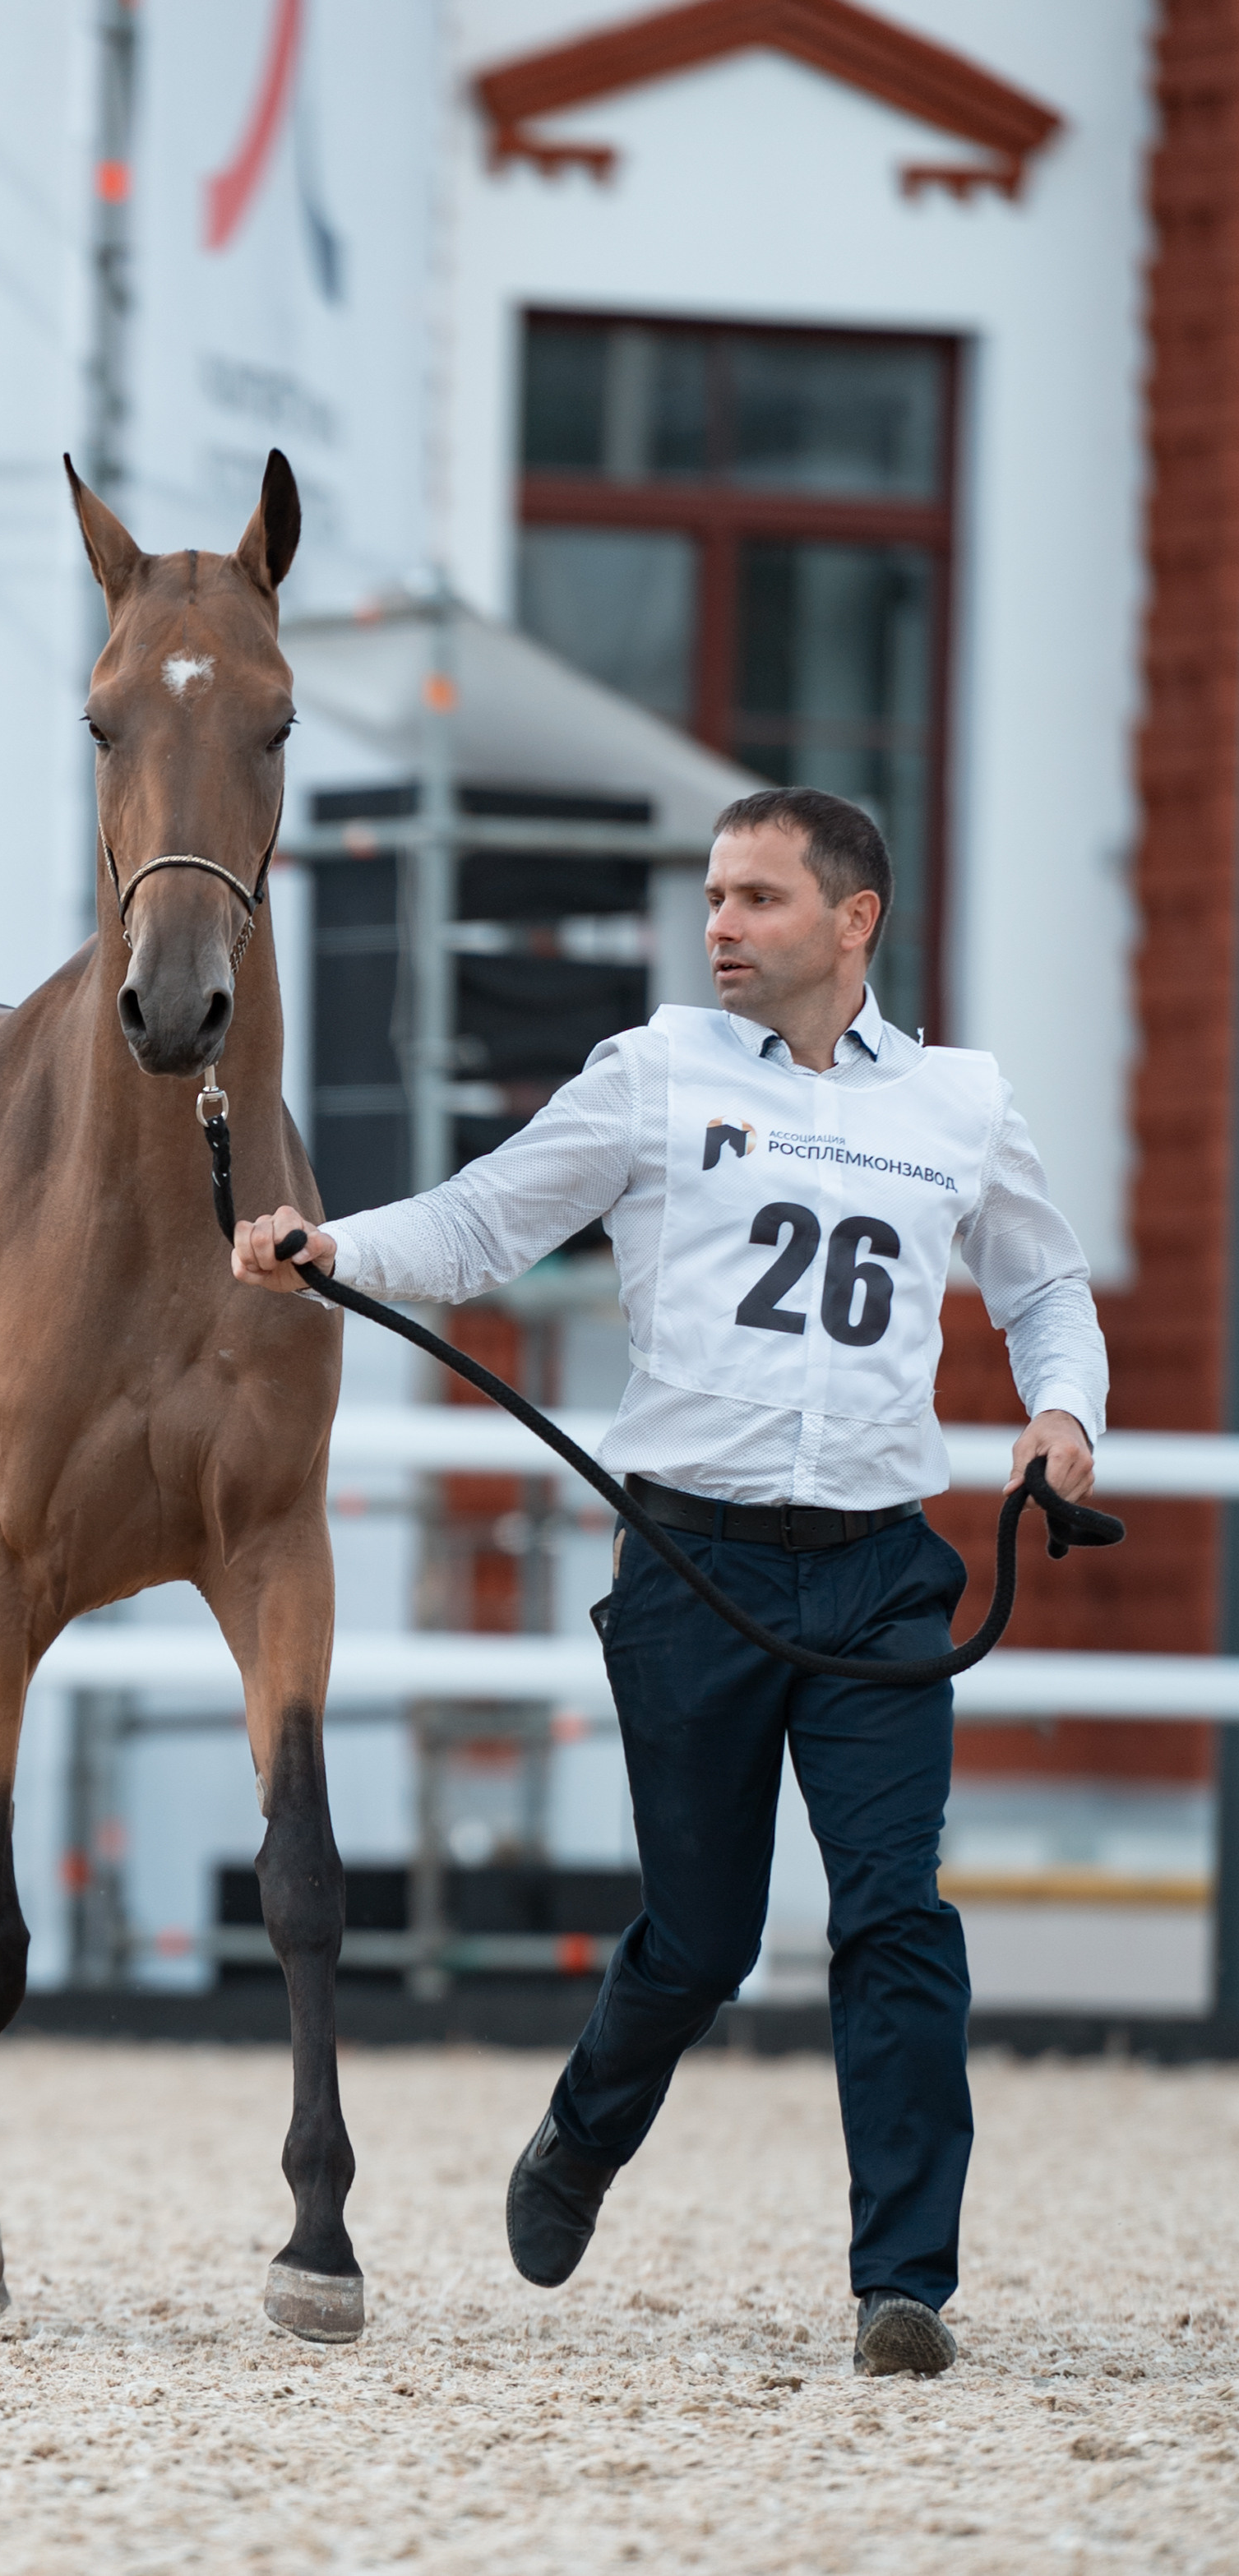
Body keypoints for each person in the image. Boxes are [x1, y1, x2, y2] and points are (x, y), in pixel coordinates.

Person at [231, 787, 1106, 2379]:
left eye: (757, 899)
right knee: (696, 1939)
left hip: (873, 1581)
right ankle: (578, 2135)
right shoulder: (649, 1076)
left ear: (853, 923)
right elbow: (485, 1221)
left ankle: (900, 2283)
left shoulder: (960, 1105)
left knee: (893, 1913)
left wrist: (1061, 1413)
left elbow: (1045, 1285)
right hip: (688, 1573)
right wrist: (331, 1248)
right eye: (711, 895)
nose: (717, 924)